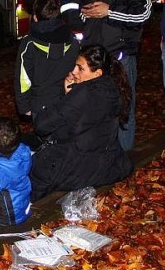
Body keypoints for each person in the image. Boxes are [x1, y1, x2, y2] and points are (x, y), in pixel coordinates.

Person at [78, 0, 153, 150]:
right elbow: (85, 10)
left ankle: (124, 156)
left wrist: (109, 12)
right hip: (94, 57)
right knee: (96, 108)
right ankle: (103, 154)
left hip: (120, 56)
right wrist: (86, 13)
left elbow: (145, 13)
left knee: (123, 108)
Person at [30, 44, 134, 201]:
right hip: (108, 164)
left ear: (97, 73)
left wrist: (66, 97)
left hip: (80, 169)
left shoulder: (84, 93)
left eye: (80, 68)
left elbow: (42, 126)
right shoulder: (113, 87)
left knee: (30, 172)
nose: (73, 71)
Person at [15, 0, 79, 125]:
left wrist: (24, 107)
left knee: (45, 142)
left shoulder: (29, 44)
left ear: (35, 17)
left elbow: (23, 78)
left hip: (40, 104)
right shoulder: (73, 40)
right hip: (67, 99)